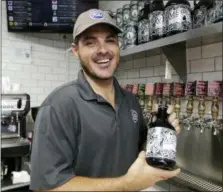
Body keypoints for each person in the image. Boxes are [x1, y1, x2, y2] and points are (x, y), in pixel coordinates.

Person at [30, 9, 181, 191]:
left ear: (118, 46)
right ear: (76, 51)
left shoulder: (130, 101)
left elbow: (140, 150)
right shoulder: (58, 106)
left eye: (109, 40)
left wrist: (162, 130)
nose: (103, 50)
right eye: (90, 43)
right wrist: (125, 185)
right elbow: (46, 188)